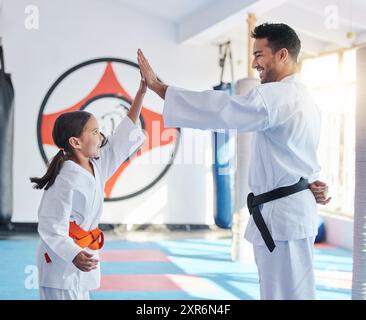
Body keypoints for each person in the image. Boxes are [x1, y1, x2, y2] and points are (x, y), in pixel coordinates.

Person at [137, 23, 331, 300]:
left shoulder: (276, 96)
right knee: (295, 292)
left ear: (282, 54)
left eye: (259, 54)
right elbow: (300, 154)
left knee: (282, 294)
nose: (254, 63)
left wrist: (160, 88)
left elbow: (223, 110)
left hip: (283, 218)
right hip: (293, 213)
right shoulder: (307, 99)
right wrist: (314, 183)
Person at [30, 75, 147, 300]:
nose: (101, 136)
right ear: (76, 142)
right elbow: (50, 227)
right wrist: (73, 254)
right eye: (94, 132)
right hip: (60, 262)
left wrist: (141, 94)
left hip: (82, 255)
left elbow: (121, 139)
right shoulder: (65, 179)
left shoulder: (96, 165)